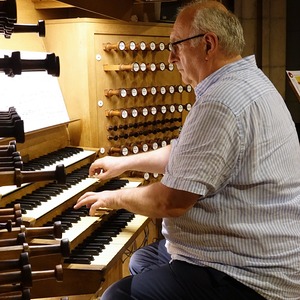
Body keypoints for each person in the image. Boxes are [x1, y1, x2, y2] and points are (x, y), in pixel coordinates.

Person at [74, 0, 300, 299]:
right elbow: (186, 154)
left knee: (117, 295)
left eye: (176, 46)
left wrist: (113, 197)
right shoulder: (249, 80)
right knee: (144, 259)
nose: (170, 58)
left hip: (247, 273)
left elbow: (171, 202)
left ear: (208, 45)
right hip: (260, 251)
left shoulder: (221, 101)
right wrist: (123, 163)